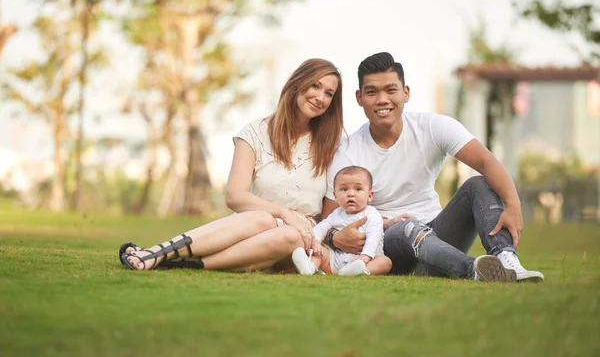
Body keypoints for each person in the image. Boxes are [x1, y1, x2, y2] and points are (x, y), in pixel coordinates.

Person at [322, 52, 544, 283]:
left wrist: (513, 205)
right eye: (372, 92)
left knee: (476, 185)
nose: (382, 99)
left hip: (439, 236)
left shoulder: (431, 127)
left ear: (405, 93)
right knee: (407, 227)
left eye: (391, 90)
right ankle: (476, 270)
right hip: (388, 243)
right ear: (359, 98)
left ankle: (507, 260)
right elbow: (328, 218)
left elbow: (486, 162)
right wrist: (335, 237)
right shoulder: (348, 152)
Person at [119, 58, 344, 272]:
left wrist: (310, 233)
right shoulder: (254, 133)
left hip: (299, 239)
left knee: (290, 236)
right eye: (315, 86)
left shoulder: (333, 145)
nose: (320, 97)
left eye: (329, 94)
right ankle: (159, 253)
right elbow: (235, 197)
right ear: (297, 84)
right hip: (253, 228)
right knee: (263, 218)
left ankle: (165, 259)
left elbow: (331, 214)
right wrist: (284, 213)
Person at [290, 165, 392, 276]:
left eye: (358, 189)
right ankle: (309, 267)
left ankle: (362, 272)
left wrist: (366, 256)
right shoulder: (336, 214)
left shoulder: (372, 214)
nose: (351, 194)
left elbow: (374, 236)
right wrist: (316, 242)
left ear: (370, 195)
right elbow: (322, 227)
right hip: (337, 259)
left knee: (385, 262)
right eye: (344, 189)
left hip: (366, 260)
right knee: (319, 253)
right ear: (335, 196)